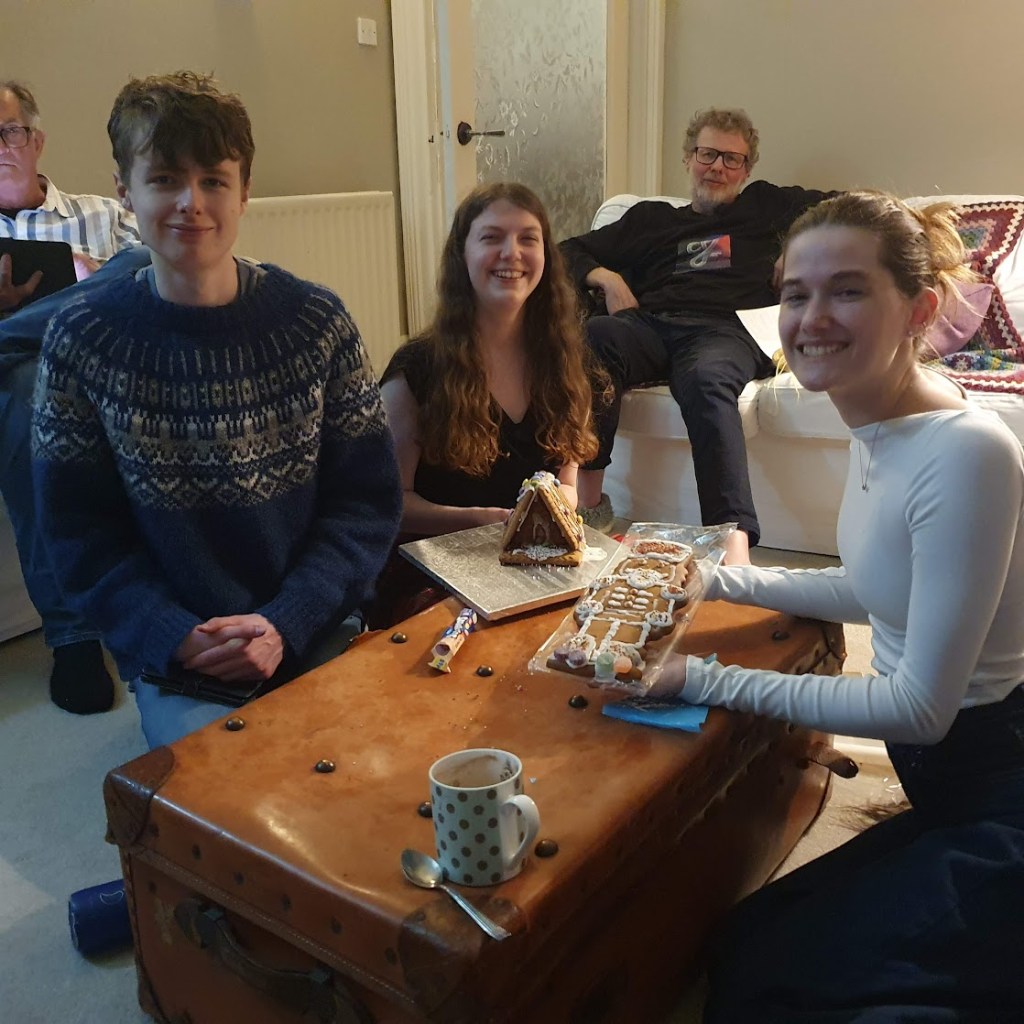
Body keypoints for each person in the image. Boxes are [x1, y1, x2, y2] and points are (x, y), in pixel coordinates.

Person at [651, 191, 1024, 1020]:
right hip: (951, 792)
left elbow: (918, 708)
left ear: (918, 308)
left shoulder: (969, 453)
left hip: (997, 786)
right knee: (748, 946)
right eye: (795, 293)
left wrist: (699, 677)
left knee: (802, 995)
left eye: (847, 290)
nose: (811, 318)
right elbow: (877, 586)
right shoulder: (881, 421)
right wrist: (714, 578)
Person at [31, 72, 401, 749]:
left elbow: (366, 505)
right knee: (230, 803)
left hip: (317, 625)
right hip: (179, 655)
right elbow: (77, 537)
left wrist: (289, 619)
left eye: (214, 181)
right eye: (166, 178)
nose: (189, 203)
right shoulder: (80, 340)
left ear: (245, 191)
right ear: (125, 191)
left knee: (378, 780)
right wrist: (168, 633)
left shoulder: (316, 322)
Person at [561, 107, 837, 563]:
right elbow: (568, 250)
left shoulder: (766, 207)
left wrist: (797, 248)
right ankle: (589, 508)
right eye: (708, 154)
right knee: (598, 335)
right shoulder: (650, 220)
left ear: (747, 170)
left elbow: (848, 208)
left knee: (706, 381)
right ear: (688, 158)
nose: (718, 168)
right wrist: (606, 278)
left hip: (727, 330)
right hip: (651, 325)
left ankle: (733, 549)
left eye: (732, 159)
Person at [374, 182, 604, 623]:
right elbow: (389, 506)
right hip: (430, 575)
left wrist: (555, 509)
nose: (511, 253)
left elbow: (569, 485)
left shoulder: (564, 361)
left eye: (528, 238)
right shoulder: (416, 370)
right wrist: (484, 521)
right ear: (462, 255)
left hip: (531, 566)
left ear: (546, 257)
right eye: (492, 237)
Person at [1, 79, 140, 714]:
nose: (1, 146)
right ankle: (74, 638)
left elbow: (154, 276)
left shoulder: (101, 212)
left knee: (129, 264)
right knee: (27, 385)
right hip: (19, 387)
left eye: (10, 131)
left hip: (93, 369)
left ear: (37, 140)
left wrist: (86, 278)